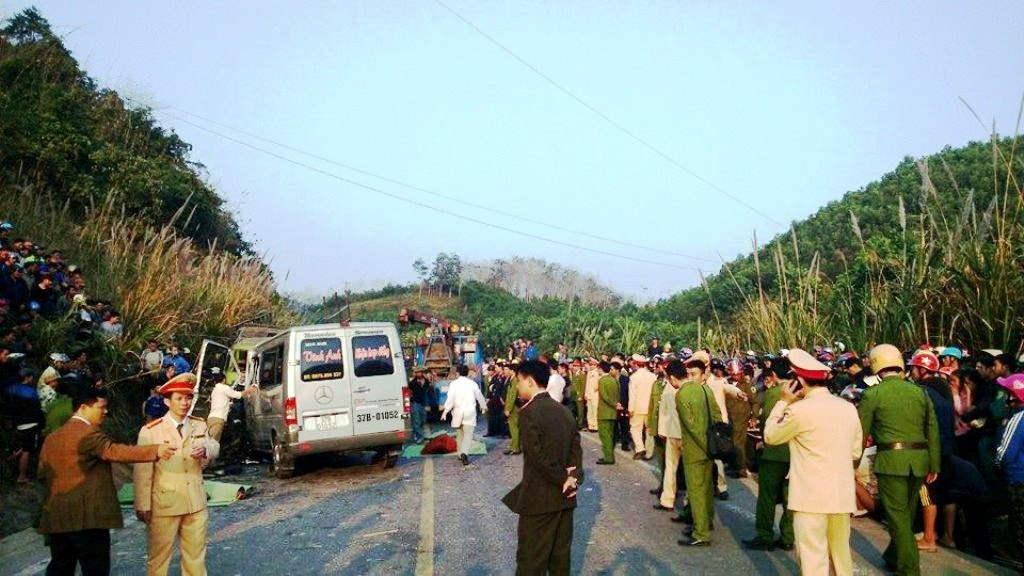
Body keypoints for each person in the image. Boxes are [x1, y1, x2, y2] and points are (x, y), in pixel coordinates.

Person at [38, 387, 175, 576]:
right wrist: (155, 450)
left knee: (60, 566)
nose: (105, 412)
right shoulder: (87, 433)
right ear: (84, 407)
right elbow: (113, 451)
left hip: (58, 517)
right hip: (88, 518)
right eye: (101, 407)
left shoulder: (52, 438)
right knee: (95, 568)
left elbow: (42, 472)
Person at [764, 349, 863, 576]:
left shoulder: (798, 411)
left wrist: (782, 403)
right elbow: (855, 451)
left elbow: (770, 436)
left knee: (812, 560)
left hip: (810, 498)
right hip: (841, 496)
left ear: (798, 381)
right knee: (841, 558)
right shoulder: (848, 408)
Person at [858, 344, 940, 576]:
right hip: (920, 461)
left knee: (897, 517)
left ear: (876, 366)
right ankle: (894, 556)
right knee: (906, 513)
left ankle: (909, 568)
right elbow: (931, 429)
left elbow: (861, 434)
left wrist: (853, 462)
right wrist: (934, 464)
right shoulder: (919, 392)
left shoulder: (873, 394)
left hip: (890, 461)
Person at [502, 360, 583, 576]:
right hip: (565, 498)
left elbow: (537, 456)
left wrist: (561, 479)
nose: (518, 386)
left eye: (519, 381)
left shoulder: (529, 412)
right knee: (560, 560)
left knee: (531, 560)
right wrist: (572, 478)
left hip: (539, 499)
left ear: (529, 381)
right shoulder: (564, 411)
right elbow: (576, 450)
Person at [134, 373, 220, 576]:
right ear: (167, 401)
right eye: (179, 398)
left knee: (195, 559)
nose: (184, 403)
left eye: (188, 397)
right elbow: (142, 471)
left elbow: (214, 446)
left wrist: (206, 450)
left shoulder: (198, 424)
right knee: (159, 560)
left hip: (195, 503)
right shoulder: (151, 431)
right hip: (165, 505)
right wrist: (143, 504)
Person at [743, 359, 796, 551]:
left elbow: (767, 422)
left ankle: (764, 535)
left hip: (774, 452)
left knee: (767, 496)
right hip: (794, 453)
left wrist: (764, 442)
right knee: (790, 497)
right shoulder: (801, 394)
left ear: (773, 375)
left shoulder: (774, 394)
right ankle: (788, 536)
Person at [676, 351, 721, 547]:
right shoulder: (707, 390)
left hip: (695, 450)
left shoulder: (683, 393)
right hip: (710, 448)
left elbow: (691, 426)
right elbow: (718, 417)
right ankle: (706, 522)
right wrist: (713, 446)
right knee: (707, 488)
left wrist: (703, 445)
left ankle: (701, 532)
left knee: (696, 491)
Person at [996, 372, 1024, 569]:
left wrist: (997, 466)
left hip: (1018, 478)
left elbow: (1006, 451)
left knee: (1020, 527)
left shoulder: (1018, 418)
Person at [441, 365, 487, 465]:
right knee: (468, 435)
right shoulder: (473, 384)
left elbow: (450, 399)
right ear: (467, 373)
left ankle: (459, 454)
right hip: (469, 413)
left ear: (457, 373)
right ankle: (464, 453)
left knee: (460, 434)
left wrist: (445, 412)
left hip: (457, 413)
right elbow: (479, 396)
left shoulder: (453, 384)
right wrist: (483, 407)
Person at [655, 358, 685, 511]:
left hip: (683, 435)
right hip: (674, 434)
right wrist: (662, 431)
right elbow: (664, 411)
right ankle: (667, 499)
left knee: (681, 470)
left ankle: (686, 505)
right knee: (670, 468)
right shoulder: (669, 387)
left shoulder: (688, 388)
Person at [207, 368, 253, 443]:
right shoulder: (224, 388)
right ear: (224, 380)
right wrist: (251, 389)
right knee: (213, 444)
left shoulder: (215, 390)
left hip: (211, 418)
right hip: (219, 419)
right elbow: (238, 395)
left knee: (210, 441)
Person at [627, 354, 656, 460]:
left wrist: (630, 409)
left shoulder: (633, 377)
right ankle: (649, 453)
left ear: (636, 364)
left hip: (637, 407)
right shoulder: (652, 376)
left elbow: (632, 394)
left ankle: (640, 448)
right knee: (649, 430)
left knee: (635, 429)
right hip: (650, 407)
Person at [596, 361, 621, 465]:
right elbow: (618, 394)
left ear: (601, 369)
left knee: (604, 436)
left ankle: (608, 458)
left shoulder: (602, 380)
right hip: (613, 413)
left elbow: (604, 396)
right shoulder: (615, 380)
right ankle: (609, 455)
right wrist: (616, 405)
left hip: (604, 412)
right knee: (610, 435)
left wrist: (613, 404)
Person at [503, 361, 523, 456]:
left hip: (514, 408)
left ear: (512, 370)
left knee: (514, 428)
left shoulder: (515, 380)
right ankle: (514, 445)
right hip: (513, 407)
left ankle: (515, 448)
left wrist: (508, 408)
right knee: (514, 428)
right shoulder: (513, 379)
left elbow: (512, 395)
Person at [409, 368, 430, 442]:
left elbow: (428, 392)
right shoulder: (412, 383)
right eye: (417, 372)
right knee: (416, 420)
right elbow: (409, 392)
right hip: (415, 402)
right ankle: (419, 436)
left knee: (423, 420)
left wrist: (428, 404)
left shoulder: (426, 381)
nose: (418, 374)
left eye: (420, 372)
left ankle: (417, 434)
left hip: (423, 403)